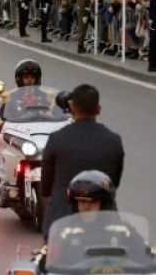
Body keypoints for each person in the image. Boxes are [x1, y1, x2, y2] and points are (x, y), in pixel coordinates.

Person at [41, 84, 124, 237]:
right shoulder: (114, 141)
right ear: (99, 109)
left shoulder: (56, 139)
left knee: (47, 259)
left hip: (61, 222)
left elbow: (45, 187)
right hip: (104, 222)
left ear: (72, 108)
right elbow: (114, 183)